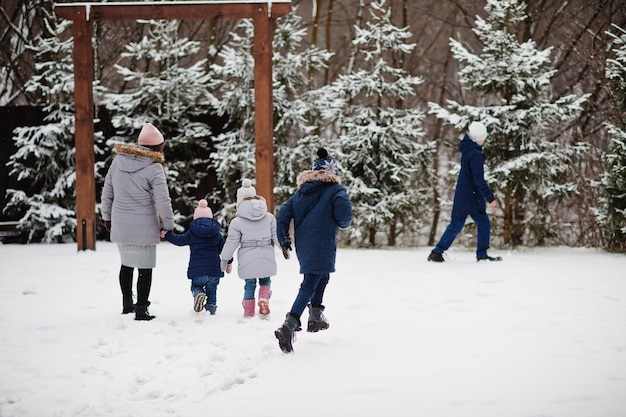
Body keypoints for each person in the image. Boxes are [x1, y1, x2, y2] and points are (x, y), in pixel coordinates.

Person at [274, 148, 353, 353]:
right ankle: (289, 324)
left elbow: (284, 212)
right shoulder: (336, 190)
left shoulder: (301, 193)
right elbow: (344, 218)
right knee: (310, 282)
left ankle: (315, 316)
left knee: (322, 276)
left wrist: (283, 238)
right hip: (323, 242)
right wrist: (343, 221)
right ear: (332, 173)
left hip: (305, 244)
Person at [101, 123, 175, 321]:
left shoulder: (118, 160)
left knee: (126, 264)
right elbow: (162, 199)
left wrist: (106, 216)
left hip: (120, 219)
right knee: (145, 266)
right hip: (144, 224)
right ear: (158, 146)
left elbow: (107, 191)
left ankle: (127, 304)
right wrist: (168, 225)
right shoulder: (154, 166)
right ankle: (141, 308)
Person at [428, 121, 502, 263]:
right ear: (477, 138)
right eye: (483, 137)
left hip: (463, 195)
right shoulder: (475, 154)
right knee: (482, 222)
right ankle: (481, 255)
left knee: (457, 224)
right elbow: (478, 179)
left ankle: (437, 252)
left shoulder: (468, 151)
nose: (484, 139)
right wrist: (490, 197)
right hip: (472, 197)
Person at [219, 179, 278, 318]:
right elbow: (276, 236)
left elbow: (231, 242)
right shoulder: (269, 217)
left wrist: (224, 258)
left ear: (239, 201)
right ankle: (264, 298)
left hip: (247, 255)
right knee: (265, 280)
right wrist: (285, 248)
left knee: (250, 284)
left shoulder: (237, 222)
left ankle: (249, 311)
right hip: (266, 253)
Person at [160, 199, 228, 315]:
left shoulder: (193, 232)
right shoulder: (217, 234)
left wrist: (167, 235)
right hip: (214, 269)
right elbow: (225, 250)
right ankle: (211, 309)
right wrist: (229, 262)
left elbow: (179, 240)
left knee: (196, 285)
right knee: (212, 289)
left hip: (197, 269)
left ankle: (198, 294)